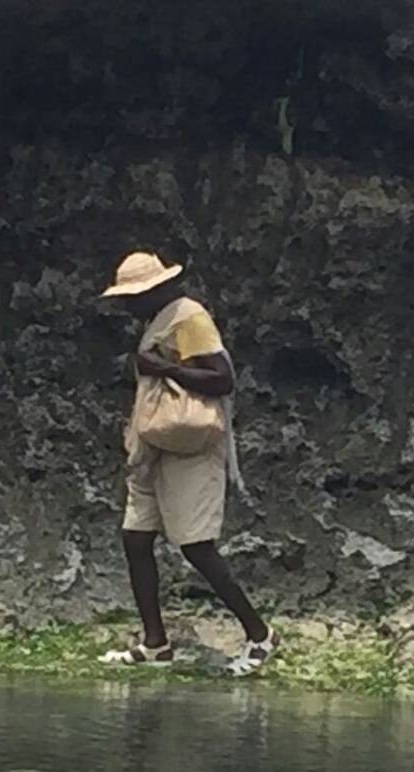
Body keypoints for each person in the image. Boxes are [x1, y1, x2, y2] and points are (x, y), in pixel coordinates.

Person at [97, 251, 279, 676]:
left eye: (133, 297)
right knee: (136, 538)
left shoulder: (188, 317)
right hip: (155, 446)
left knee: (196, 545)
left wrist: (162, 368)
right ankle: (155, 643)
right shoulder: (158, 320)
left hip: (190, 449)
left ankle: (260, 635)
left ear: (155, 290)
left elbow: (222, 378)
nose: (127, 306)